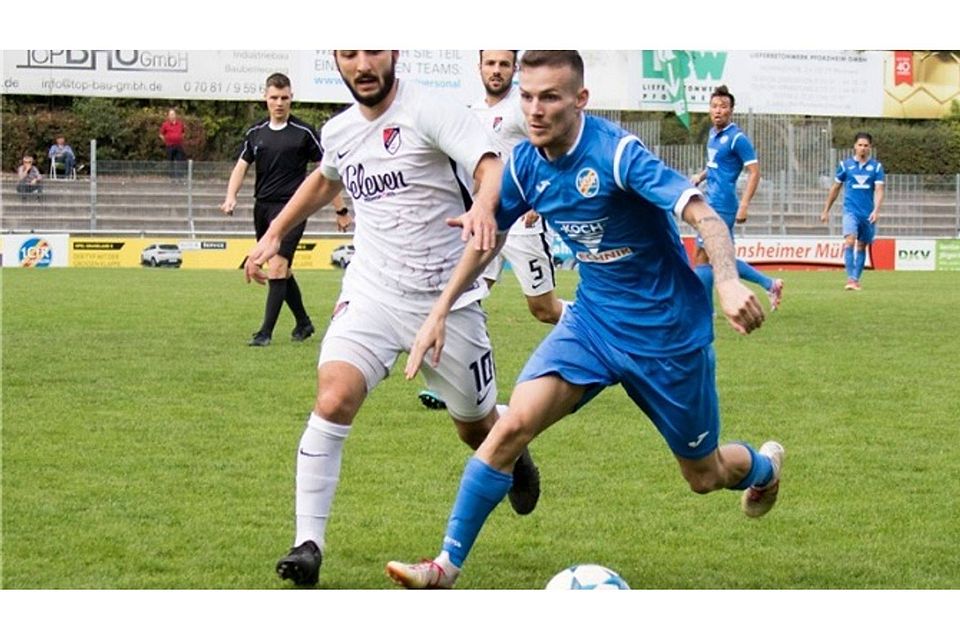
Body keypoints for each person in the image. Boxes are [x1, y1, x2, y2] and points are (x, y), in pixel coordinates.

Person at [386, 50, 784, 590]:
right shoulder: (525, 163)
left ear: (580, 99)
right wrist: (438, 311)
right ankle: (443, 568)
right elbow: (488, 237)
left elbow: (704, 215)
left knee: (704, 475)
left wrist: (731, 281)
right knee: (511, 428)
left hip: (667, 336)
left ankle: (763, 469)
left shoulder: (618, 155)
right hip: (592, 326)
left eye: (549, 96)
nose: (535, 109)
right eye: (527, 96)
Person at [243, 50, 541, 587]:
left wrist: (483, 206)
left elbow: (489, 165)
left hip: (449, 301)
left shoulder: (431, 110)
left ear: (395, 53)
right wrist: (272, 234)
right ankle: (307, 543)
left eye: (373, 49)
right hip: (373, 293)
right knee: (333, 396)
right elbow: (325, 180)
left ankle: (513, 454)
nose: (362, 63)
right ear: (336, 59)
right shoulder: (338, 131)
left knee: (474, 428)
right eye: (350, 52)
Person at [417, 49, 570, 412]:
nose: (497, 70)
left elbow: (551, 153)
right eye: (491, 63)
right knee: (459, 299)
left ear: (513, 69)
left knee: (544, 310)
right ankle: (449, 384)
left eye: (504, 64)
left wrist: (538, 201)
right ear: (480, 67)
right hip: (484, 221)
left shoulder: (522, 109)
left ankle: (601, 327)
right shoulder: (470, 114)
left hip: (522, 224)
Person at [220, 72, 342, 347]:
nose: (279, 103)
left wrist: (340, 210)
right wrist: (231, 196)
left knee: (276, 267)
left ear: (291, 98)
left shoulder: (304, 132)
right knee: (283, 271)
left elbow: (328, 172)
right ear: (265, 98)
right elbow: (242, 166)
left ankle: (265, 333)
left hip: (293, 210)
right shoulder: (255, 133)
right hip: (262, 208)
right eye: (274, 97)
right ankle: (303, 322)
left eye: (284, 98)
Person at [692, 85, 784, 312]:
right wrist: (701, 176)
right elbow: (715, 165)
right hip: (710, 200)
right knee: (721, 259)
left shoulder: (737, 138)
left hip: (723, 204)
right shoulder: (713, 135)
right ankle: (770, 284)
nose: (718, 111)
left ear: (731, 110)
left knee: (704, 256)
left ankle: (706, 310)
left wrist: (744, 204)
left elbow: (755, 171)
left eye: (723, 107)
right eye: (714, 106)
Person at [820, 132, 885, 291]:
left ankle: (856, 279)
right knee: (850, 240)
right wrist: (826, 210)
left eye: (866, 145)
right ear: (855, 146)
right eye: (860, 145)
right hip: (850, 211)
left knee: (862, 246)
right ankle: (851, 279)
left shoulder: (876, 167)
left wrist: (876, 210)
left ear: (870, 147)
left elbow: (879, 189)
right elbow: (835, 188)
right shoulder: (845, 166)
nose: (862, 148)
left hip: (867, 213)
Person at [159, 108, 187, 179]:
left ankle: (180, 176)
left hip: (178, 145)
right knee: (170, 161)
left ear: (175, 115)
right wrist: (166, 140)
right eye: (170, 114)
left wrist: (180, 138)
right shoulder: (165, 124)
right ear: (168, 116)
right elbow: (161, 134)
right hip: (170, 146)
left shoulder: (180, 124)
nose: (172, 116)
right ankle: (171, 177)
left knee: (180, 161)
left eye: (173, 114)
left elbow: (183, 132)